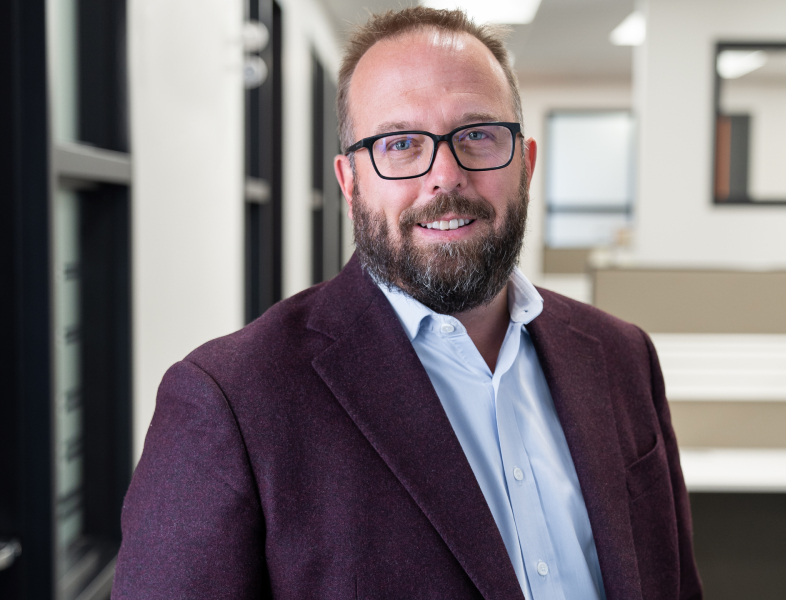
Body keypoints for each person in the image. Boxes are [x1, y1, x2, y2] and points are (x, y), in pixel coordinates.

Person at [112, 7, 702, 600]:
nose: (444, 175)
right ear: (350, 183)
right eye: (399, 144)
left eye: (476, 134)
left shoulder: (622, 357)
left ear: (525, 163)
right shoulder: (231, 401)